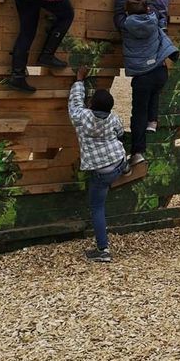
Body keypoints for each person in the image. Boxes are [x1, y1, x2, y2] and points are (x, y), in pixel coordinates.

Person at [114, 0, 179, 166]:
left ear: (128, 11)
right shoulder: (154, 17)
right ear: (146, 8)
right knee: (155, 94)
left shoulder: (125, 25)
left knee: (138, 113)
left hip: (142, 75)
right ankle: (153, 121)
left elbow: (117, 10)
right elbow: (151, 2)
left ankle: (137, 152)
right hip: (160, 71)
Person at [69, 65, 127, 263]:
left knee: (97, 207)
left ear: (91, 104)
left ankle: (103, 250)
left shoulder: (82, 118)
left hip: (102, 172)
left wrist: (79, 79)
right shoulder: (113, 118)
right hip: (119, 161)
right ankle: (124, 168)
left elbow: (75, 103)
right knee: (119, 157)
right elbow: (120, 134)